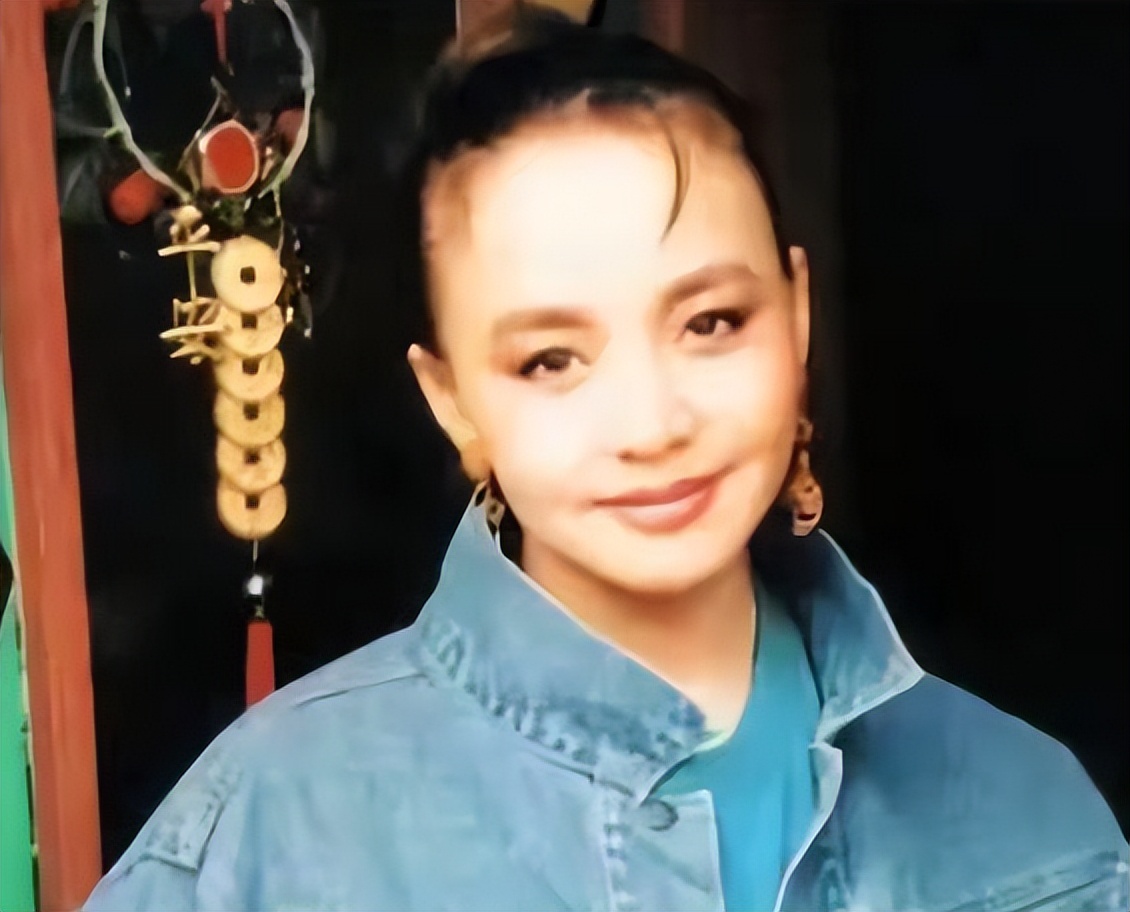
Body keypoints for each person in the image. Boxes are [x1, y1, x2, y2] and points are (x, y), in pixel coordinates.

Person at [84, 7, 1128, 911]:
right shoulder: (278, 832)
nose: (650, 421)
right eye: (550, 360)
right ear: (452, 401)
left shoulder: (1025, 817)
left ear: (796, 314)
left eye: (711, 323)